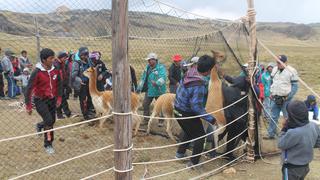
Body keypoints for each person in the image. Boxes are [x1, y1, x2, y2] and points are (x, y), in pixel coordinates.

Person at [174, 55, 216, 168]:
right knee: (200, 136)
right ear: (208, 70)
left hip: (177, 109)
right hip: (187, 113)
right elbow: (196, 107)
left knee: (188, 132)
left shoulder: (191, 70)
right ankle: (193, 163)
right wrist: (211, 119)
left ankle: (179, 154)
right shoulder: (199, 85)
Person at [25, 48, 62, 154]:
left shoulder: (55, 69)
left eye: (53, 57)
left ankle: (40, 125)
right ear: (44, 60)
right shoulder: (37, 72)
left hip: (52, 99)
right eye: (51, 58)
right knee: (49, 121)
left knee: (51, 121)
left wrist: (59, 98)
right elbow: (29, 89)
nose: (53, 60)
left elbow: (59, 84)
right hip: (40, 100)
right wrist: (28, 106)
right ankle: (48, 144)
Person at [278, 100, 320, 180]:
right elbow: (317, 142)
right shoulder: (313, 125)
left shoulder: (293, 132)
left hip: (291, 168)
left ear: (292, 116)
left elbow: (280, 144)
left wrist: (284, 128)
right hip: (305, 166)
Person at [265, 55, 299, 139]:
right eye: (277, 62)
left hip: (286, 99)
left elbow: (295, 86)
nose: (278, 64)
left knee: (287, 118)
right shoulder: (274, 69)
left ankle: (288, 135)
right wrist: (270, 92)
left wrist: (288, 97)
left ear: (285, 62)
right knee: (273, 116)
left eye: (280, 62)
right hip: (275, 98)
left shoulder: (292, 71)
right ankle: (271, 134)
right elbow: (271, 81)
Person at [137, 53, 167, 124]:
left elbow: (163, 77)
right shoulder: (147, 68)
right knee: (145, 104)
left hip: (159, 91)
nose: (148, 61)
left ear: (154, 60)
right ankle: (146, 119)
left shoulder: (161, 68)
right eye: (148, 60)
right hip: (149, 90)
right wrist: (139, 87)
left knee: (160, 106)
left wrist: (157, 83)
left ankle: (161, 121)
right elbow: (143, 78)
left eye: (150, 60)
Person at [71, 47, 95, 121]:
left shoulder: (88, 60)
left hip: (89, 83)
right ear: (80, 54)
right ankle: (85, 114)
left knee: (91, 97)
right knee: (83, 99)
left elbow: (92, 68)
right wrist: (79, 80)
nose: (85, 56)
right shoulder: (76, 63)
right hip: (82, 84)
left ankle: (90, 111)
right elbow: (73, 75)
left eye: (86, 55)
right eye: (83, 55)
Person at [54, 51, 72, 119]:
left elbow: (65, 74)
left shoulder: (62, 64)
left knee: (61, 100)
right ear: (60, 57)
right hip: (57, 85)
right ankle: (64, 114)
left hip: (62, 84)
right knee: (61, 100)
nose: (65, 59)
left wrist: (66, 84)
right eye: (64, 58)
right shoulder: (56, 65)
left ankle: (63, 114)